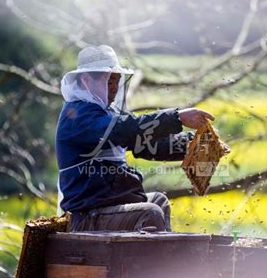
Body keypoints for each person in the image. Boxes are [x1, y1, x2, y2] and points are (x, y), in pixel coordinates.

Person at [56, 45, 214, 232]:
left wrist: (195, 145)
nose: (114, 88)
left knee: (158, 201)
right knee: (150, 212)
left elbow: (145, 144)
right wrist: (176, 117)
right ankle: (161, 260)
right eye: (108, 82)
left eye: (116, 81)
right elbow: (127, 129)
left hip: (107, 207)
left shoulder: (103, 113)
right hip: (87, 215)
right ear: (86, 80)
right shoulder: (78, 116)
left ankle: (162, 255)